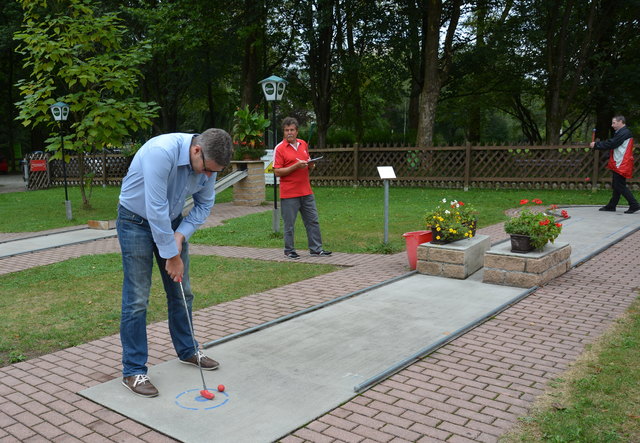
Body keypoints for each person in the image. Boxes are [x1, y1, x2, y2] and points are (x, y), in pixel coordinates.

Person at [117, 129, 233, 397]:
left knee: (183, 293)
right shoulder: (161, 151)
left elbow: (204, 205)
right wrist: (172, 256)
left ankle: (188, 350)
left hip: (171, 221)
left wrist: (180, 236)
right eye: (206, 170)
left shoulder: (208, 164)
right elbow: (155, 208)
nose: (207, 176)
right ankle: (133, 370)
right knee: (137, 299)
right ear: (196, 151)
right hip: (135, 221)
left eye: (213, 173)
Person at [273, 117, 331, 259]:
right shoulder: (280, 148)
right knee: (289, 224)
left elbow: (307, 165)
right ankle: (289, 250)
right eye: (287, 130)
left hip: (306, 191)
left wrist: (310, 165)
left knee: (312, 220)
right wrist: (295, 166)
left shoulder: (303, 144)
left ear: (297, 131)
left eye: (292, 130)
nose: (289, 133)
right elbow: (277, 172)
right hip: (289, 193)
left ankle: (316, 249)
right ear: (283, 132)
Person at [590, 115, 639, 214]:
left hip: (621, 163)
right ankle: (612, 205)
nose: (612, 125)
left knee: (619, 185)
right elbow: (616, 146)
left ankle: (634, 205)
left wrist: (596, 145)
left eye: (614, 123)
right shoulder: (622, 132)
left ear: (621, 122)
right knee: (617, 185)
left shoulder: (624, 132)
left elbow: (612, 143)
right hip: (619, 162)